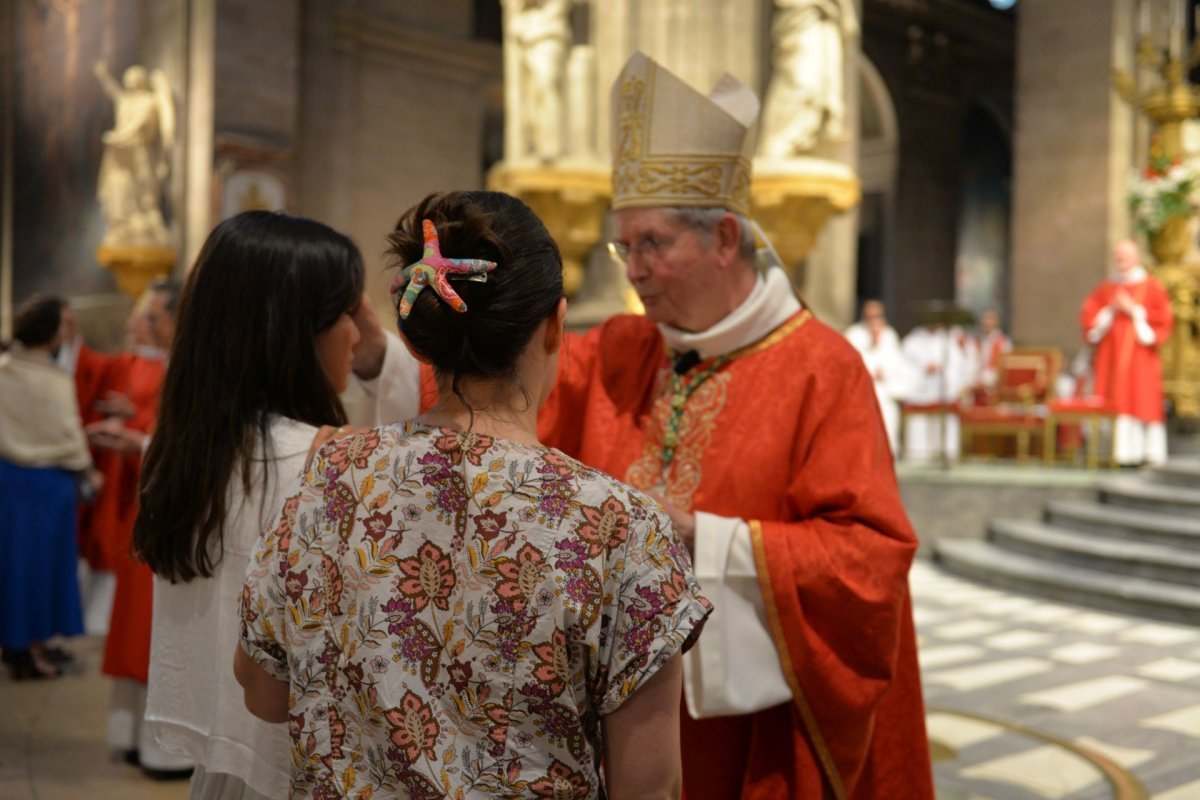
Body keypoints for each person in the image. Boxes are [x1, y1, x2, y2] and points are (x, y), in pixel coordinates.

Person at [539, 52, 933, 799]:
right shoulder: (625, 348)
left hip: (744, 734)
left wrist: (703, 536)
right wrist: (381, 362)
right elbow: (508, 382)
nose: (634, 269)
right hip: (611, 715)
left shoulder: (821, 369)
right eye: (627, 246)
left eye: (652, 244)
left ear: (724, 238)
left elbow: (870, 559)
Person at [237, 190, 711, 798]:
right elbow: (650, 787)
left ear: (415, 342)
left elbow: (264, 693)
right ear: (556, 325)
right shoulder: (620, 527)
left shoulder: (329, 478)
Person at [131, 210, 421, 798]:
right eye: (344, 313)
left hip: (221, 769)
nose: (357, 333)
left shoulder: (183, 451)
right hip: (296, 769)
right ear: (295, 333)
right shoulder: (325, 463)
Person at [0, 295, 96, 679]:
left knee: (13, 567)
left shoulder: (3, 370)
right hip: (48, 485)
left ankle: (18, 645)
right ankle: (31, 650)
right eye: (65, 324)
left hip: (8, 479)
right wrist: (88, 470)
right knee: (41, 571)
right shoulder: (54, 379)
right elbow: (68, 433)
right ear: (53, 330)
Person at [1080, 238, 1174, 466]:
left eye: (1125, 256)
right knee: (1112, 398)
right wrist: (1111, 309)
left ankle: (1145, 454)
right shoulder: (1106, 287)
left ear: (1137, 258)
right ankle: (1112, 453)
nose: (1120, 260)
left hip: (1141, 357)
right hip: (1110, 357)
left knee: (1141, 400)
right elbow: (1089, 316)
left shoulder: (1151, 286)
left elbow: (1164, 319)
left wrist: (1134, 310)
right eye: (1118, 256)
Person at [758, 0, 856, 158]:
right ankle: (780, 140)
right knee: (801, 81)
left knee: (821, 86)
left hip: (822, 24)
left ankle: (807, 140)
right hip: (801, 19)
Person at [93, 61, 175, 247]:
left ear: (140, 80)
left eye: (132, 78)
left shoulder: (149, 101)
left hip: (138, 150)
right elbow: (113, 92)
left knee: (143, 187)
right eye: (127, 79)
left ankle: (144, 217)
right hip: (119, 150)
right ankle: (123, 223)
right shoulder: (127, 100)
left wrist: (121, 136)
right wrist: (103, 75)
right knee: (118, 185)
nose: (128, 82)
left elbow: (143, 122)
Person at [900, 310, 971, 463]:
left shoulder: (948, 341)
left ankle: (947, 453)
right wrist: (924, 368)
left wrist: (944, 371)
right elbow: (903, 367)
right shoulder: (912, 342)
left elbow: (958, 365)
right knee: (919, 424)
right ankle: (918, 454)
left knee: (946, 421)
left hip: (943, 390)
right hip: (920, 390)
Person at [844, 299, 910, 454]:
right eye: (870, 317)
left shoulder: (889, 335)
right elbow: (849, 363)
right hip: (861, 392)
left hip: (884, 392)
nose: (874, 321)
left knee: (886, 431)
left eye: (877, 316)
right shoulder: (854, 334)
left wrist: (885, 372)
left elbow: (898, 364)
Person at [507, 0, 570, 161]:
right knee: (532, 96)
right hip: (529, 37)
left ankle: (553, 145)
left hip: (549, 35)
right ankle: (536, 144)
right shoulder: (526, 16)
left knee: (547, 84)